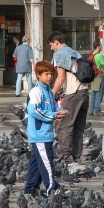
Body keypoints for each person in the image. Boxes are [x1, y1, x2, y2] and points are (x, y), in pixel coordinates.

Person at [24, 60, 68, 198]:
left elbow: (53, 107)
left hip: (45, 134)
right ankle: (52, 188)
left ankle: (30, 190)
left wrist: (59, 110)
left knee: (37, 163)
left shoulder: (48, 90)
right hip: (39, 134)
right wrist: (54, 115)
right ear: (38, 75)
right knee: (47, 162)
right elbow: (34, 110)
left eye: (51, 74)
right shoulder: (36, 91)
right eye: (46, 74)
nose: (50, 77)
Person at [48, 31, 88, 173]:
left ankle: (65, 160)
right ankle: (76, 158)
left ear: (57, 42)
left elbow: (61, 77)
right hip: (84, 93)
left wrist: (51, 94)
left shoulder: (59, 54)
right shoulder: (75, 52)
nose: (51, 48)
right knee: (78, 127)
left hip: (73, 94)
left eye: (51, 45)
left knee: (64, 126)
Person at [89, 41, 104, 116]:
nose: (102, 47)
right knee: (99, 94)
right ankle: (96, 110)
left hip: (94, 77)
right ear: (98, 46)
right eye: (101, 46)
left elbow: (102, 60)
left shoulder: (93, 54)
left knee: (93, 94)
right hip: (99, 77)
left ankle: (91, 110)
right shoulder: (98, 55)